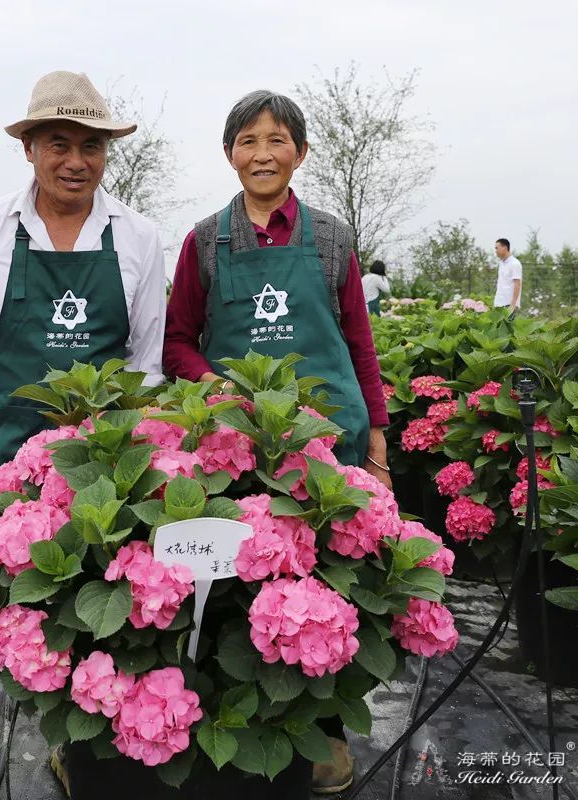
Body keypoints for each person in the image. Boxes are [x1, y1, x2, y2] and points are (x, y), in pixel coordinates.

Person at [0, 70, 166, 797]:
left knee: (92, 600)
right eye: (58, 143)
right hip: (2, 445)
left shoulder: (139, 238)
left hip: (97, 468)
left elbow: (149, 370)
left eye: (91, 145)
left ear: (107, 153)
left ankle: (76, 741)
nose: (75, 160)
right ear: (28, 147)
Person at [163, 89, 390, 795]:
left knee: (332, 588)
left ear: (301, 151)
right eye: (248, 140)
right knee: (243, 590)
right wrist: (216, 388)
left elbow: (360, 343)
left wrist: (378, 451)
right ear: (229, 153)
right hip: (243, 451)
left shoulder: (330, 238)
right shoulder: (205, 241)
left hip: (331, 449)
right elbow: (177, 343)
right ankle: (245, 727)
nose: (263, 153)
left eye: (278, 140)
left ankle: (325, 732)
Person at [493, 238, 522, 313]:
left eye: (497, 248)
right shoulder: (501, 263)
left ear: (505, 247)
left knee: (510, 324)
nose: (496, 251)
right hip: (499, 304)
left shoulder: (515, 264)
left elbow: (517, 284)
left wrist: (513, 305)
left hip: (509, 305)